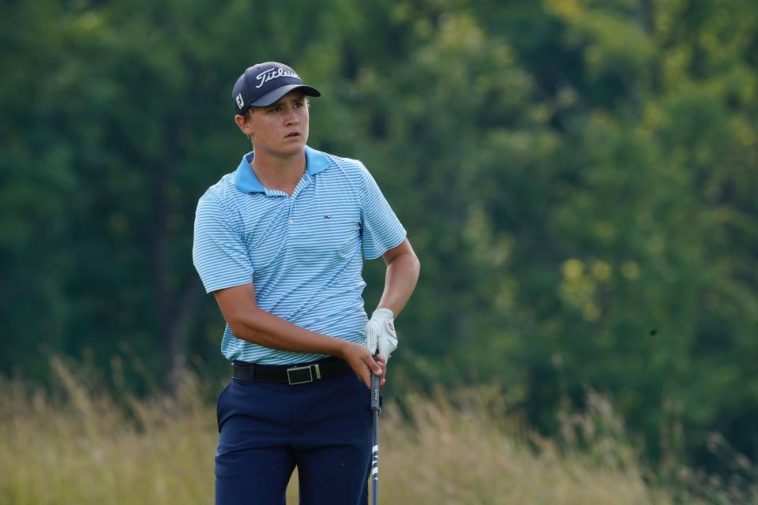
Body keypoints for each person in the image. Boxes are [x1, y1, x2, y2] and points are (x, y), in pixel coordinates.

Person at [192, 61, 420, 505]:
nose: (292, 118)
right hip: (258, 400)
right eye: (275, 110)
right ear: (245, 124)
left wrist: (385, 314)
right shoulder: (220, 206)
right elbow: (243, 320)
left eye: (298, 105)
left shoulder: (349, 177)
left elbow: (403, 258)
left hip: (340, 395)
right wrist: (339, 345)